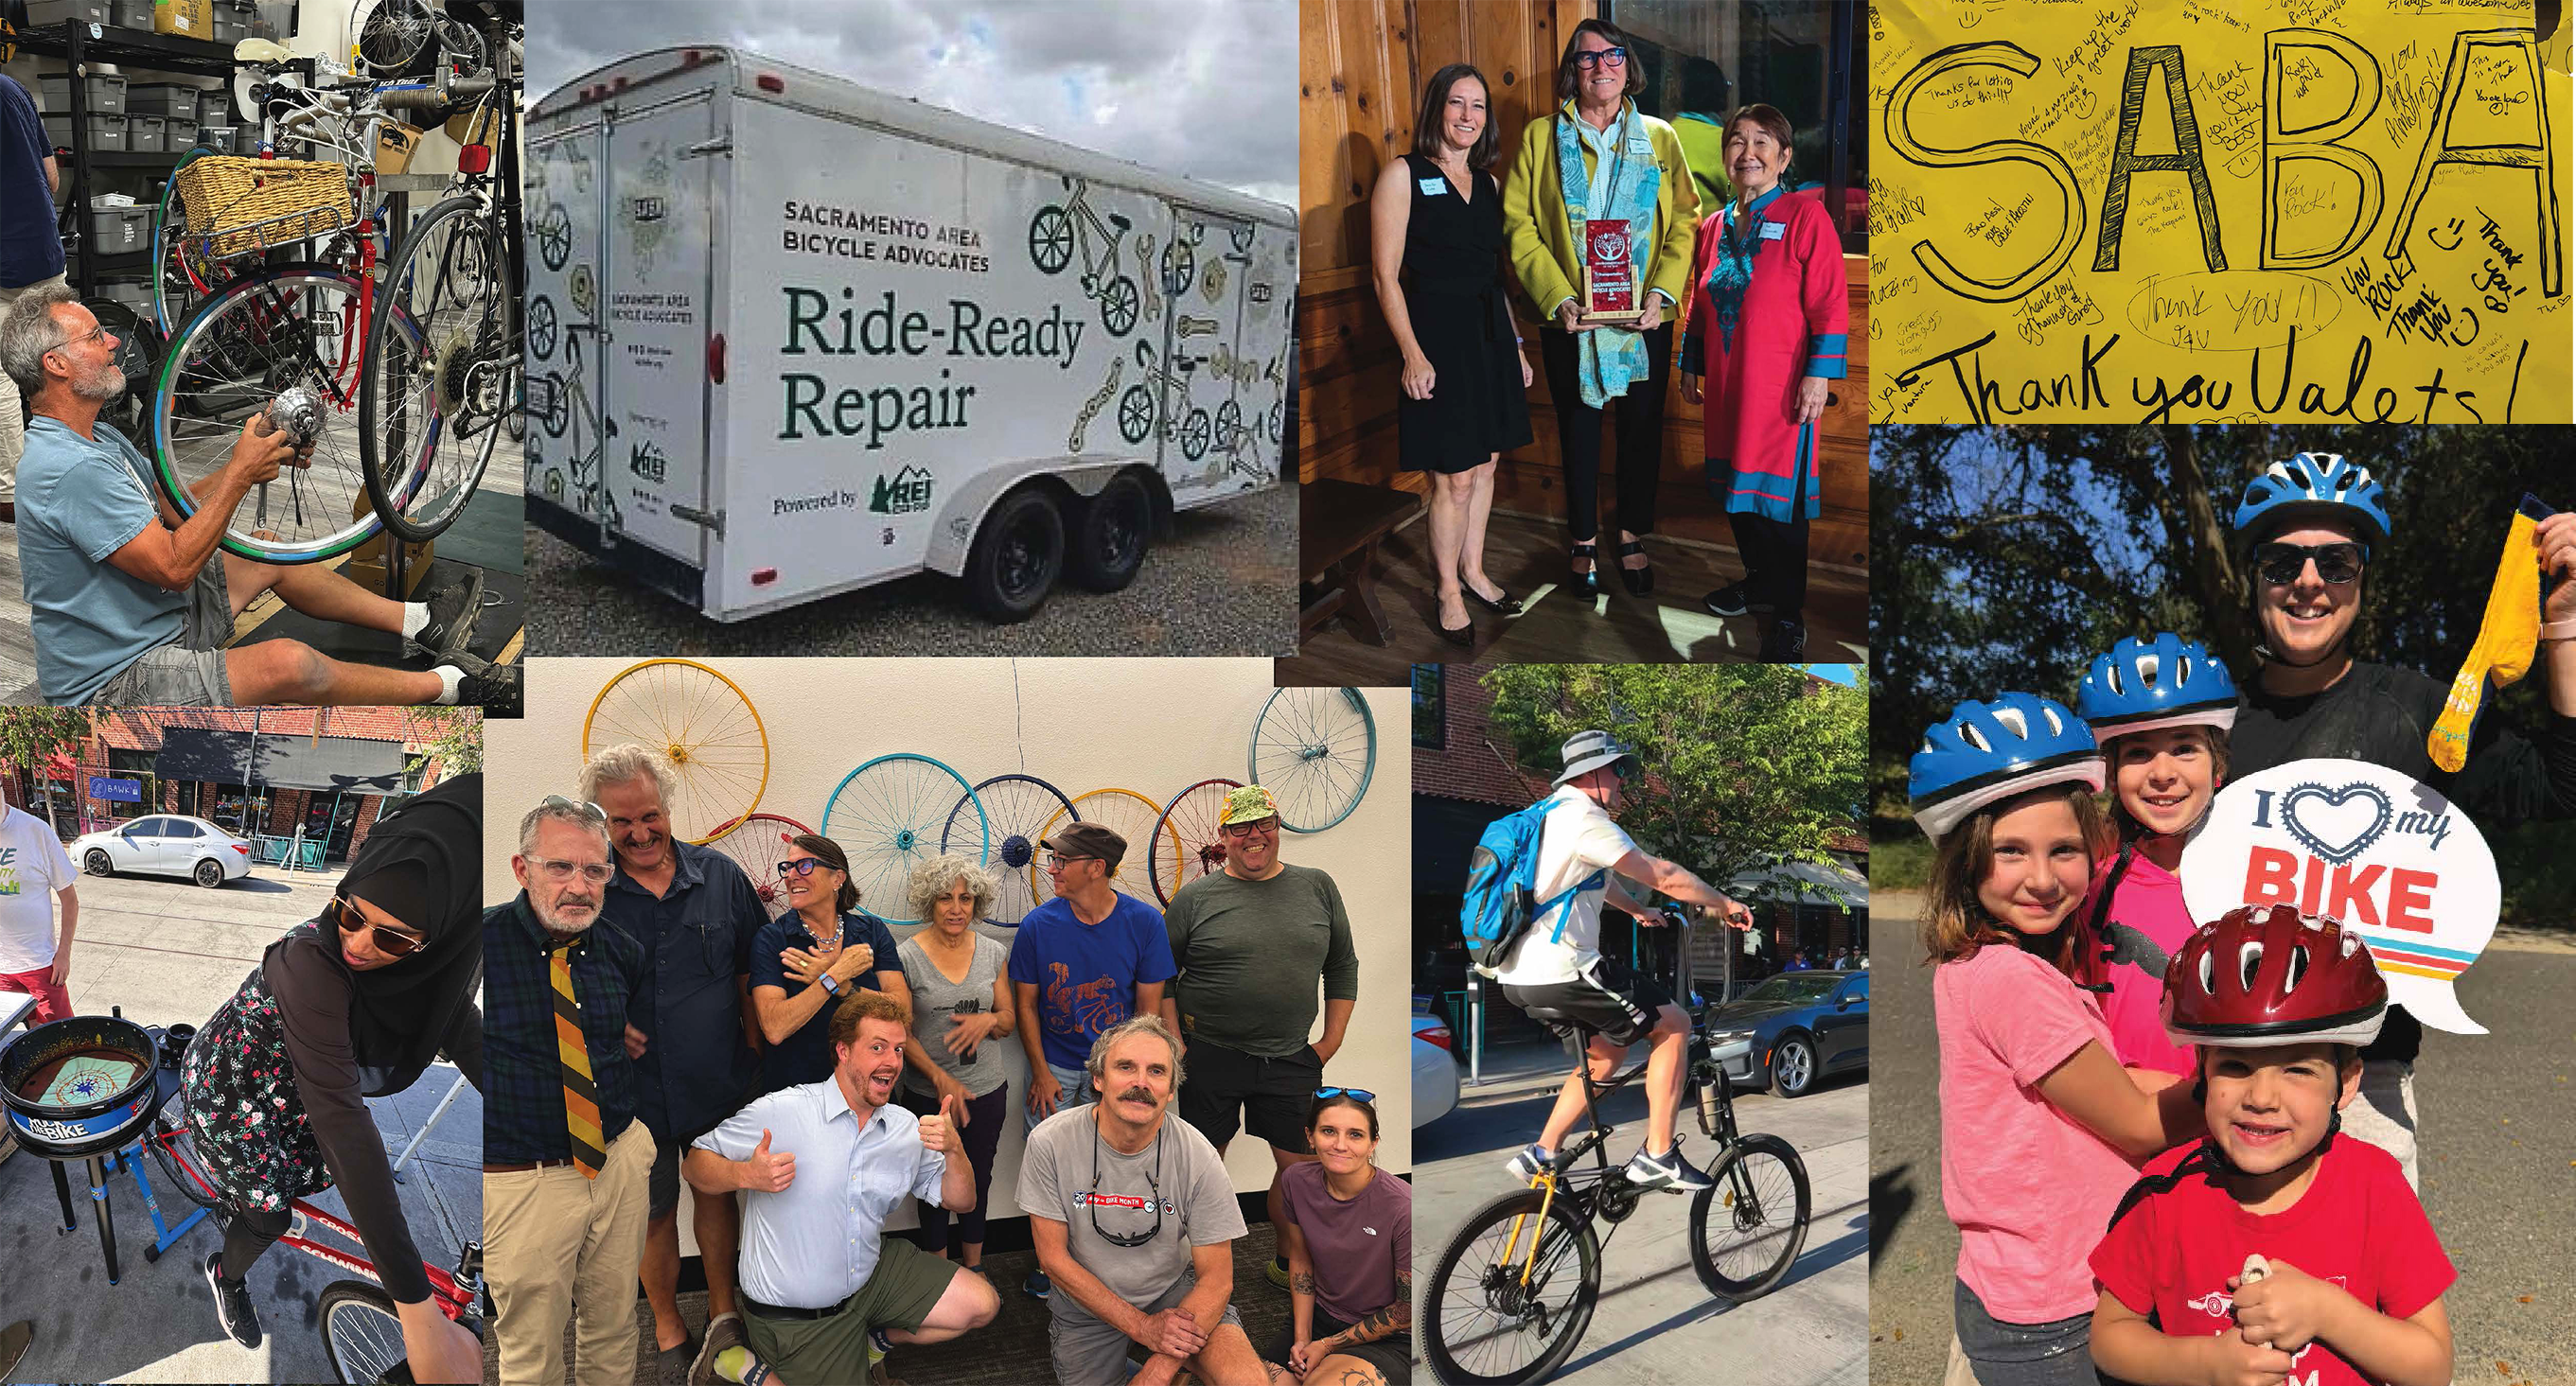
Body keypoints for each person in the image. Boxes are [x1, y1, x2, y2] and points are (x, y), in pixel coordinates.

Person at [2225, 452, 2576, 1189]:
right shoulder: (2209, 729)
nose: (2310, 581)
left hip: (2366, 1083)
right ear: (2253, 576)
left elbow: (2558, 785)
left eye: (2338, 562)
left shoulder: (2420, 710)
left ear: (2362, 580)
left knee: (2373, 1305)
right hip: (2222, 1075)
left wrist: (2566, 626)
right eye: (2283, 561)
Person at [0, 288, 508, 708]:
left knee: (266, 551)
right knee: (289, 664)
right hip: (115, 678)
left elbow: (166, 510)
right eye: (94, 336)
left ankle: (422, 623)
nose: (113, 341)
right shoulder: (66, 469)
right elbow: (175, 565)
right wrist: (241, 475)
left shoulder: (96, 437)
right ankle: (450, 687)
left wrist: (258, 458)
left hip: (160, 618)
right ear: (57, 365)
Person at [1908, 696, 2201, 1385]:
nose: (2042, 878)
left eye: (2064, 850)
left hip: (2017, 1286)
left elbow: (2117, 1080)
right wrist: (2242, 1087)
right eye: (2011, 851)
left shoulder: (1982, 965)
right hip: (2055, 1307)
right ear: (1966, 861)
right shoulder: (2014, 979)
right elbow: (2133, 1121)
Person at [182, 775, 483, 1384]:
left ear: (443, 938)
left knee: (296, 1185)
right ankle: (226, 1274)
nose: (359, 943)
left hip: (300, 1092)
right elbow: (343, 1122)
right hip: (237, 1091)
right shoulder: (309, 963)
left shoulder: (433, 972)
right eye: (350, 913)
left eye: (394, 937)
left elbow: (461, 1029)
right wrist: (418, 1312)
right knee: (267, 1214)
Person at [2091, 905, 2455, 1386]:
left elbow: (2431, 1366)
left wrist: (2328, 1313)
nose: (2261, 1098)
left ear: (2345, 1083)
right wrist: (2206, 1365)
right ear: (2202, 1071)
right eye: (2235, 1067)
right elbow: (2111, 1336)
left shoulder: (2375, 1187)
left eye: (2298, 1069)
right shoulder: (2166, 1191)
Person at [686, 991, 997, 1386]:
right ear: (844, 1052)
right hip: (796, 1316)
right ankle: (738, 1362)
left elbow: (962, 1200)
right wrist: (744, 1176)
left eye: (899, 1050)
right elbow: (694, 1164)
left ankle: (872, 1342)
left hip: (869, 1276)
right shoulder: (783, 1111)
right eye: (878, 1048)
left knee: (983, 1304)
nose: (892, 1062)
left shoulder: (904, 1127)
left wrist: (955, 1151)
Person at [582, 744, 768, 1381]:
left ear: (667, 806)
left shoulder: (721, 876)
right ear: (599, 821)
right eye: (620, 821)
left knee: (716, 1193)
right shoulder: (588, 888)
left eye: (649, 815)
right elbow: (559, 975)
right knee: (653, 1213)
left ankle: (724, 1313)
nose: (638, 832)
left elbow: (752, 970)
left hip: (719, 1080)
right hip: (633, 1095)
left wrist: (759, 1058)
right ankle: (666, 1322)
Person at [1492, 732, 1751, 1192]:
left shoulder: (1543, 815)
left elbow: (1592, 879)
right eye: (1618, 770)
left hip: (1516, 974)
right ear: (1589, 773)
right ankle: (1658, 1155)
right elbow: (1665, 875)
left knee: (1607, 1052)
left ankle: (1543, 1152)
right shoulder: (1586, 820)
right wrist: (1724, 902)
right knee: (1673, 1024)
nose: (1624, 780)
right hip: (1564, 968)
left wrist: (1636, 910)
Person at [1503, 17, 1702, 601]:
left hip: (1644, 318)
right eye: (1587, 58)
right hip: (1571, 318)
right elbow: (1519, 224)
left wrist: (1661, 295)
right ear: (1573, 70)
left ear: (1627, 64)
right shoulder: (1541, 137)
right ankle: (1584, 539)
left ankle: (1632, 532)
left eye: (1611, 55)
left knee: (1641, 431)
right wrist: (1557, 297)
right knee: (1578, 428)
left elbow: (1685, 223)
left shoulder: (1662, 137)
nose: (1601, 67)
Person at [485, 796, 655, 1386]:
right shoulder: (476, 949)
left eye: (595, 870)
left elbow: (619, 1038)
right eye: (561, 866)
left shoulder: (621, 950)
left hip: (617, 1164)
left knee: (614, 1325)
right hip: (524, 1181)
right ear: (522, 868)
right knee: (531, 1355)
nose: (578, 886)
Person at [1162, 784, 1360, 1290]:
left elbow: (1341, 965)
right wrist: (1174, 1044)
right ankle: (1194, 1273)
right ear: (1223, 836)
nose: (1254, 837)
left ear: (1277, 828)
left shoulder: (1317, 886)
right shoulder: (1195, 899)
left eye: (1264, 824)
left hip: (1292, 1056)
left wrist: (1330, 1042)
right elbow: (1160, 976)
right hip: (1210, 1055)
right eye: (1240, 828)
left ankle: (1285, 1263)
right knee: (1203, 1166)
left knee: (1300, 1172)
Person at [1369, 61, 1533, 646]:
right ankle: (1447, 589)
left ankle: (1475, 570)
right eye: (1458, 103)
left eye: (1479, 106)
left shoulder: (1487, 184)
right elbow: (1386, 277)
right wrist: (1412, 354)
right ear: (1438, 108)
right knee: (1453, 479)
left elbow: (1494, 278)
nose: (1469, 116)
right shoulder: (1403, 175)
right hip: (1436, 341)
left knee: (1486, 465)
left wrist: (1515, 345)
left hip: (1490, 339)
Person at [1019, 1015, 1275, 1386]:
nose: (1141, 1082)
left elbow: (1217, 1280)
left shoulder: (1197, 1154)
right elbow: (1053, 1261)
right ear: (1098, 1078)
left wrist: (1159, 1369)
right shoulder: (1050, 1142)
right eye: (1126, 1067)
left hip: (1174, 1294)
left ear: (1170, 1090)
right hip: (1087, 1302)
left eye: (1156, 1071)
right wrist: (1143, 1329)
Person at [1680, 104, 1848, 661]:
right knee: (1736, 497)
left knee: (1781, 509)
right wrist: (1689, 364)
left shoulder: (1806, 217)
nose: (1747, 152)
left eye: (1761, 142)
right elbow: (1699, 306)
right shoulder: (1713, 226)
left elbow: (1828, 303)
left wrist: (1818, 377)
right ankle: (1757, 584)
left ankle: (1788, 615)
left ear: (1784, 156)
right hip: (1726, 392)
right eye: (1737, 141)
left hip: (1781, 394)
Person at [1009, 820, 1175, 1300]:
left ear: (1096, 868)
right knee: (1051, 1166)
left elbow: (1148, 1013)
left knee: (1119, 1164)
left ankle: (1105, 1262)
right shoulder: (1039, 925)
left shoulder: (1144, 923)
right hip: (1054, 1068)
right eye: (1054, 859)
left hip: (1119, 1070)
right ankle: (1051, 1264)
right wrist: (1040, 1072)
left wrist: (1139, 1076)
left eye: (1062, 861)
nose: (1053, 868)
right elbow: (1025, 1005)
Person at [2074, 633, 2239, 1079]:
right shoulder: (2085, 882)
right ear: (2110, 772)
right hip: (2119, 1120)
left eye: (2185, 748)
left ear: (2217, 766)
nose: (2163, 773)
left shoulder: (2257, 875)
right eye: (2139, 752)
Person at [894, 853, 1013, 1274]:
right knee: (932, 1184)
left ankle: (975, 1270)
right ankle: (938, 1277)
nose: (956, 908)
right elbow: (901, 1034)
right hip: (927, 1094)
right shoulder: (906, 957)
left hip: (985, 1089)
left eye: (966, 898)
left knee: (978, 1177)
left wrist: (989, 1020)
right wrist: (939, 1075)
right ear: (930, 902)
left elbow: (1009, 1018)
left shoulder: (993, 952)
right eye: (945, 898)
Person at [750, 833, 906, 1094]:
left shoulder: (872, 932)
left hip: (867, 1092)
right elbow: (775, 1028)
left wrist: (840, 985)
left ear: (838, 878)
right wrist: (834, 974)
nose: (791, 876)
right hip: (799, 1095)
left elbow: (902, 1009)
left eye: (805, 866)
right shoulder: (772, 939)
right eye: (787, 868)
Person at [1277, 1090, 1411, 1386]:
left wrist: (1325, 1346)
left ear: (1373, 1143)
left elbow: (1406, 1311)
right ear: (1310, 1137)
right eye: (1328, 1131)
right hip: (1320, 1317)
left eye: (1355, 1135)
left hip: (1389, 1336)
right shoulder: (1295, 1180)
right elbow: (1300, 1257)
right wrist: (1303, 1338)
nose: (1340, 1145)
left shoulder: (1402, 1207)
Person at [3, 69, 66, 518]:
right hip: (43, 253)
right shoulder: (16, 89)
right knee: (62, 370)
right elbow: (52, 178)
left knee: (3, 383)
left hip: (3, 262)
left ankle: (10, 496)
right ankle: (71, 472)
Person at [0, 778, 79, 1025]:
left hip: (41, 965)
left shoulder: (35, 831)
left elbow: (70, 900)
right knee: (14, 1045)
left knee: (60, 1038)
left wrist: (64, 953)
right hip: (2, 970)